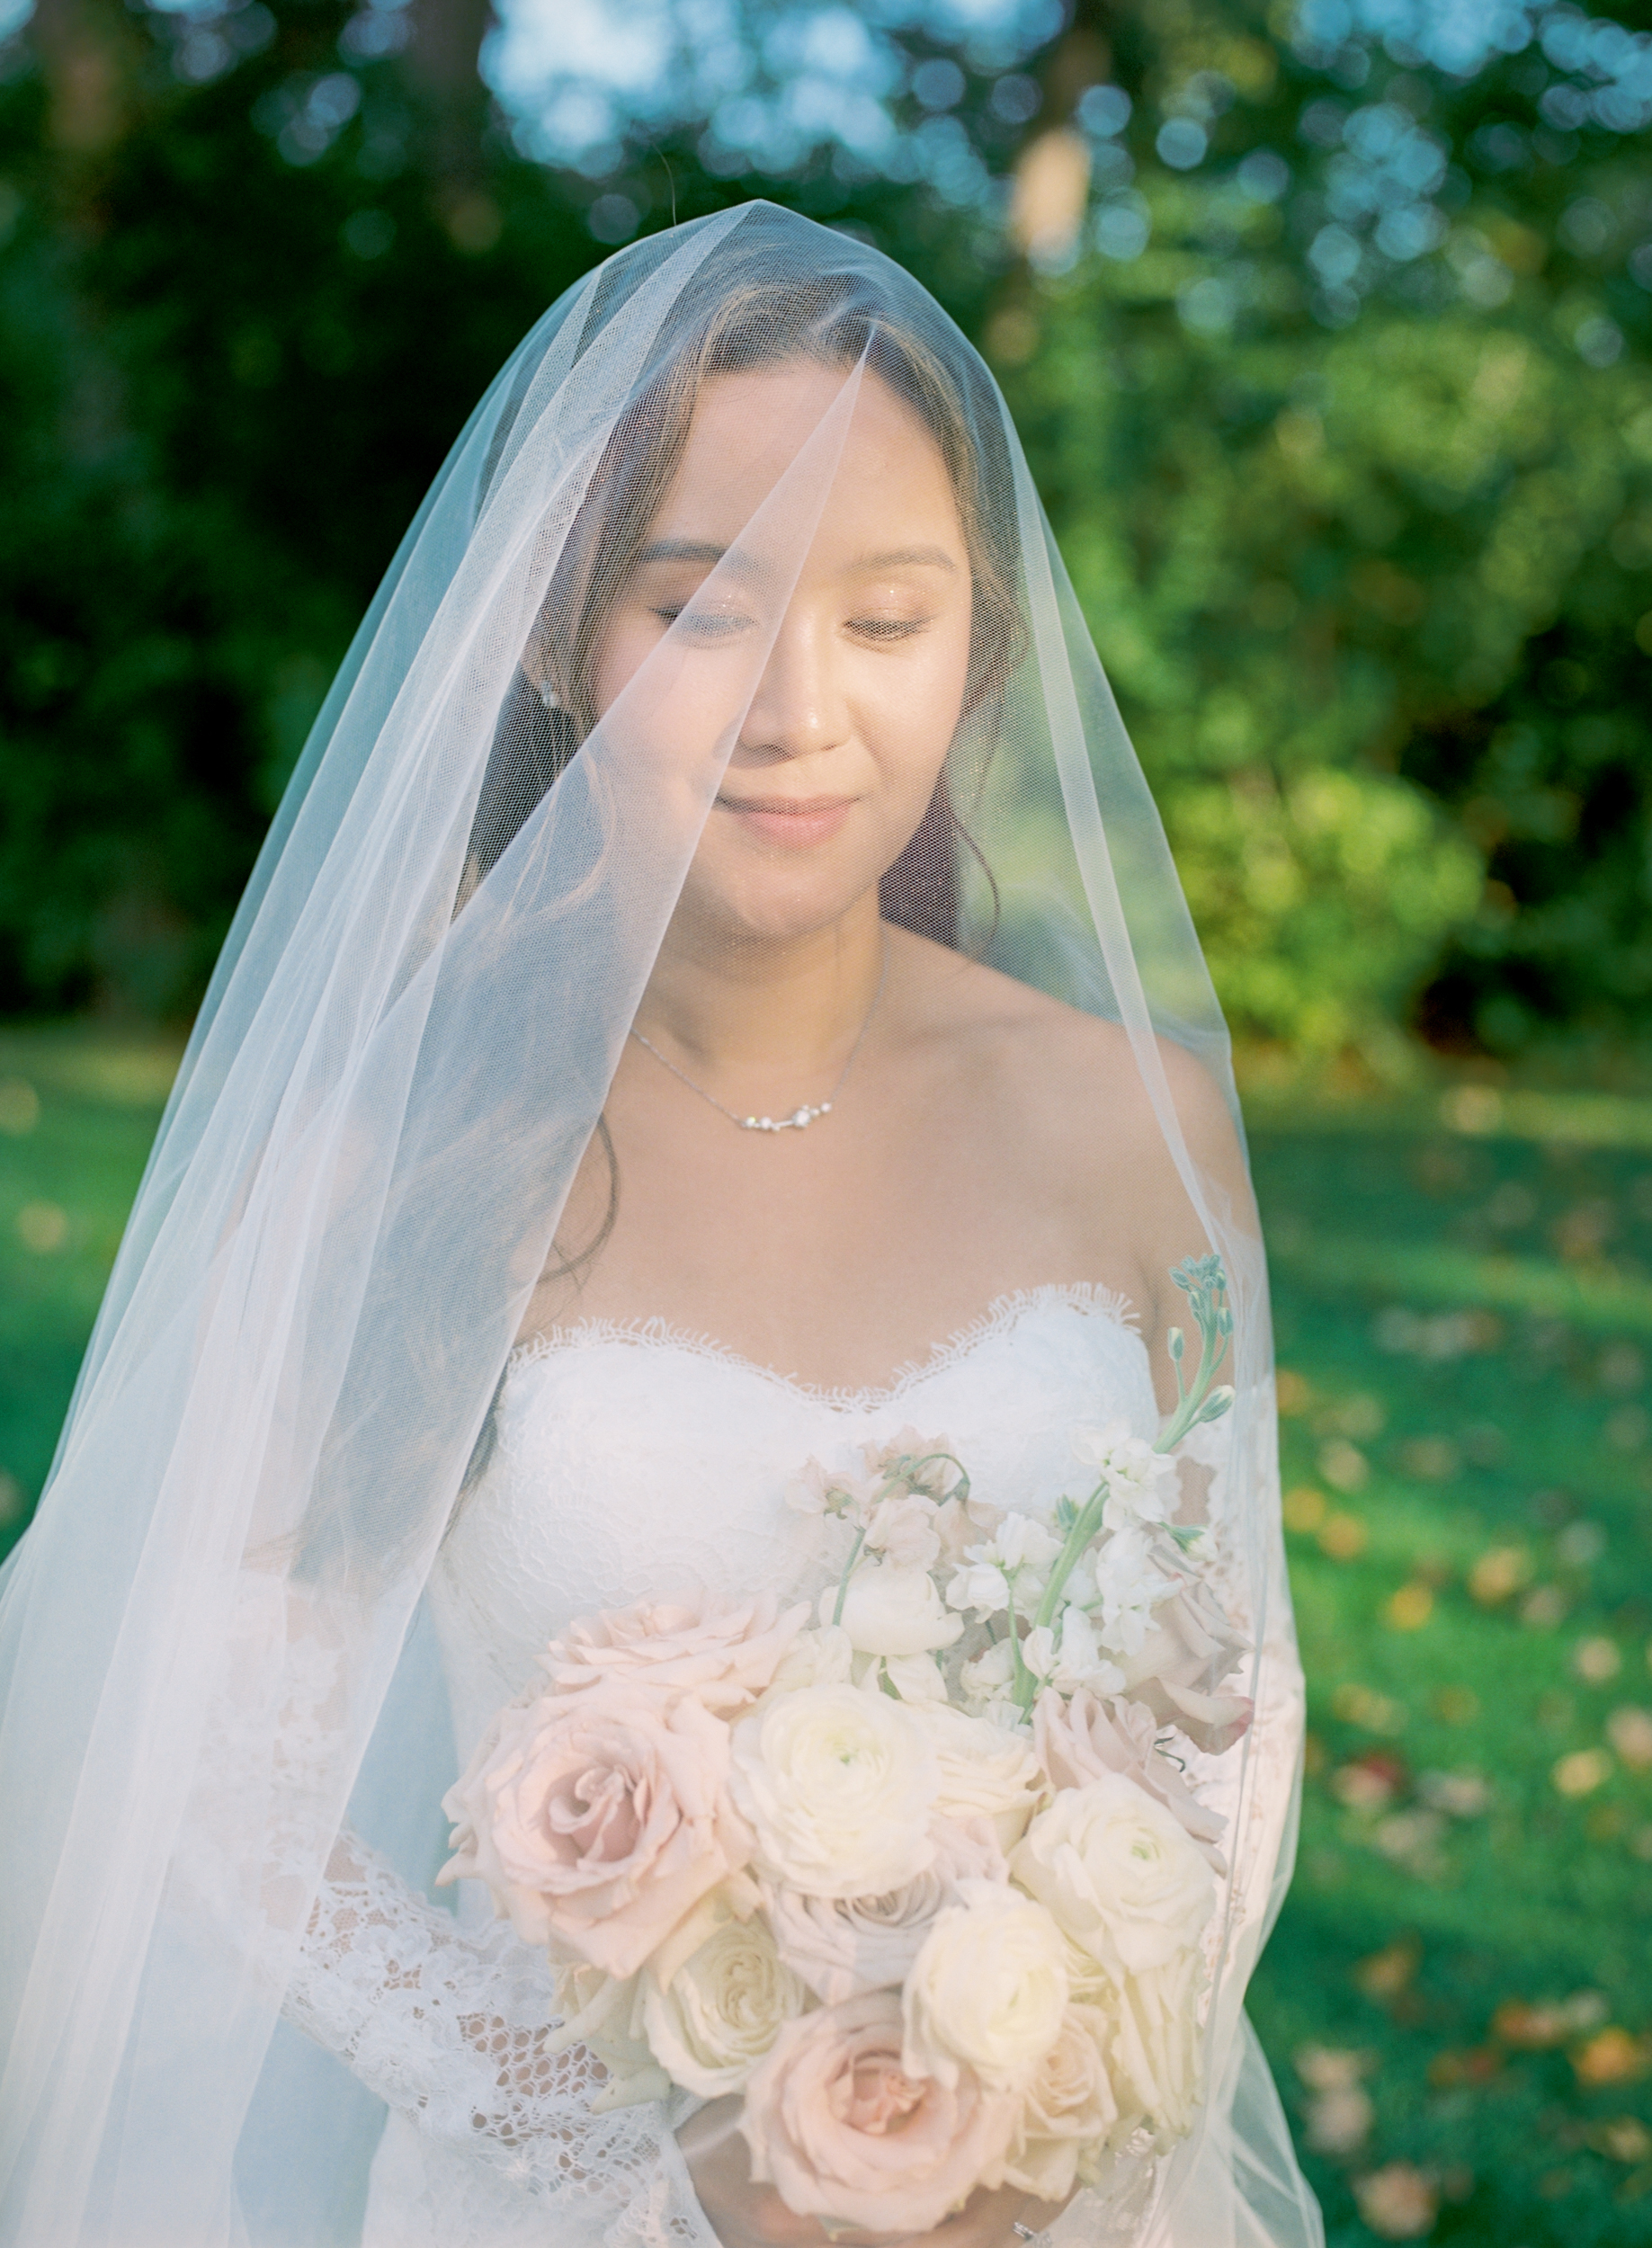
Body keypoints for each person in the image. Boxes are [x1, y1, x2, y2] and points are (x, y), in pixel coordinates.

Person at [0, 204, 1318, 2248]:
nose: (798, 710)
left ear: (980, 641)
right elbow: (218, 1767)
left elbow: (1234, 1694)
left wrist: (1041, 2089)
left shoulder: (1121, 1125)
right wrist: (634, 2163)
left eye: (886, 620)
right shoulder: (391, 1159)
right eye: (703, 614)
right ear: (554, 632)